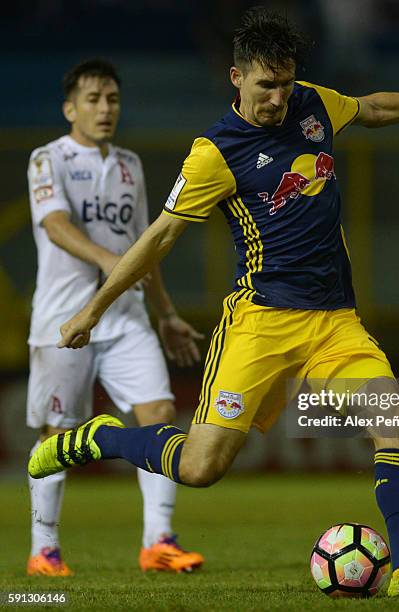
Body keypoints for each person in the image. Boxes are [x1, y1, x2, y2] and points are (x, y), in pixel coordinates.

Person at [29, 9, 399, 596]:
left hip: (336, 323)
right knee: (201, 468)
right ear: (237, 77)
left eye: (285, 84)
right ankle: (102, 438)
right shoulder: (215, 151)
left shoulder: (312, 103)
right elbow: (158, 236)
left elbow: (373, 107)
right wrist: (91, 311)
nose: (279, 98)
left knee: (395, 421)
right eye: (266, 86)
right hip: (259, 324)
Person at [26, 59, 205, 576]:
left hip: (127, 318)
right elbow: (55, 224)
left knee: (159, 416)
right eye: (93, 99)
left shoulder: (130, 163)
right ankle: (44, 550)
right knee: (57, 432)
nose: (105, 109)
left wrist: (166, 313)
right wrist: (110, 261)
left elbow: (145, 246)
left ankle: (160, 542)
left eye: (113, 99)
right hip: (64, 319)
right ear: (70, 108)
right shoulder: (47, 159)